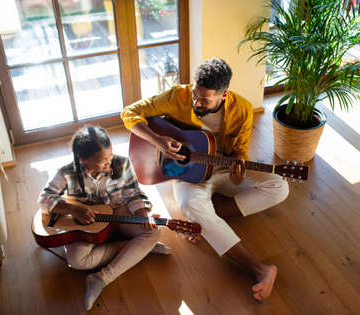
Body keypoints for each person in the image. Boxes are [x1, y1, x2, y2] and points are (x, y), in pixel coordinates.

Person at [121, 58, 289, 301]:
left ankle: (206, 220)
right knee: (189, 204)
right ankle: (258, 268)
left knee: (279, 187)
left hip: (221, 167)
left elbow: (240, 151)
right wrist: (157, 141)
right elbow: (128, 113)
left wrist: (239, 165)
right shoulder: (177, 96)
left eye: (205, 100)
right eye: (195, 96)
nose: (196, 103)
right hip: (188, 174)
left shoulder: (242, 108)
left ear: (223, 95)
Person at [38, 126, 171, 311]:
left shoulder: (122, 163)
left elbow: (134, 193)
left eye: (110, 156)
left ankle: (101, 278)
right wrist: (73, 209)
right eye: (102, 161)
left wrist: (142, 216)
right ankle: (133, 248)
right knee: (76, 261)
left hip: (119, 211)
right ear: (82, 159)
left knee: (153, 232)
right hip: (89, 225)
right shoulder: (66, 172)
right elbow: (44, 198)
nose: (109, 164)